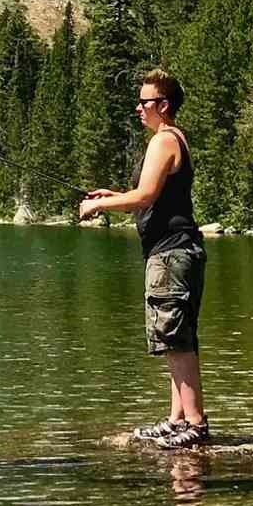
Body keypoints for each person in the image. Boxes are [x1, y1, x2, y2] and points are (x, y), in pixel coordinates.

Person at [78, 68, 208, 449]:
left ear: (163, 105)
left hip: (171, 253)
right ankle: (177, 420)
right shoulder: (170, 140)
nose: (138, 108)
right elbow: (146, 193)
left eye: (144, 102)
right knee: (175, 338)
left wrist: (99, 205)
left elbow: (145, 197)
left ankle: (195, 425)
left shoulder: (164, 140)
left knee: (176, 339)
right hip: (175, 251)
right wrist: (113, 194)